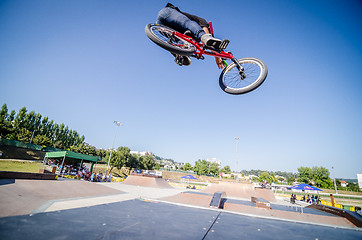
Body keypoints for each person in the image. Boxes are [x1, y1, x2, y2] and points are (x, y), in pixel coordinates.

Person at [156, 3, 225, 69]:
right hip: (168, 13)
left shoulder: (192, 34)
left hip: (162, 26)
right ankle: (204, 37)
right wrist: (217, 56)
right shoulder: (202, 22)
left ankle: (179, 52)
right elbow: (208, 41)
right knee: (187, 23)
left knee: (182, 39)